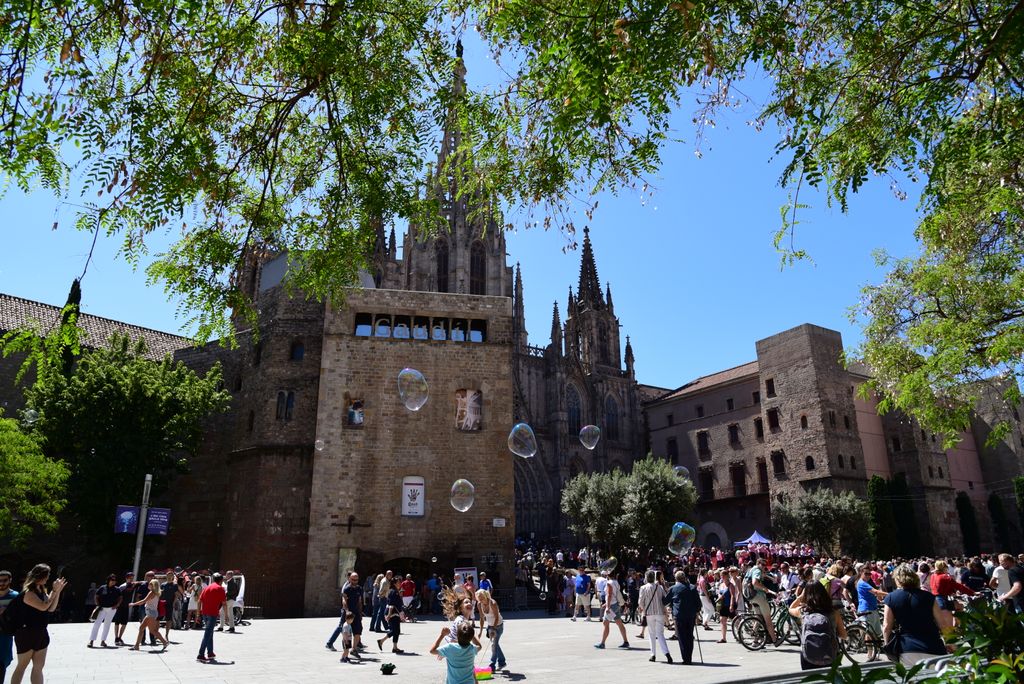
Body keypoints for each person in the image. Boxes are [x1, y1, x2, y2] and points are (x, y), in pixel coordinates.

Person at [10, 564, 66, 684]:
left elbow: (50, 608)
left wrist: (58, 592)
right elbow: (43, 607)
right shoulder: (28, 593)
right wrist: (54, 591)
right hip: (26, 634)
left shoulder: (42, 590)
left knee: (38, 667)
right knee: (22, 666)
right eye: (47, 575)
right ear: (40, 576)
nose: (48, 578)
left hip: (41, 632)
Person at [882, 563, 947, 666]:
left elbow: (886, 626)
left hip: (906, 648)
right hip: (933, 646)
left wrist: (887, 645)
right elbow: (943, 624)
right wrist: (951, 642)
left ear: (898, 580)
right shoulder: (929, 597)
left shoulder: (891, 598)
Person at [788, 580, 836, 670]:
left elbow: (790, 608)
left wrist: (800, 597)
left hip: (808, 654)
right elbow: (844, 635)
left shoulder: (802, 611)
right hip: (829, 653)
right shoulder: (832, 612)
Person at [745, 557, 783, 646]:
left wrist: (769, 577)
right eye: (762, 565)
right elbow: (755, 582)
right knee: (768, 620)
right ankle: (775, 640)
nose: (763, 567)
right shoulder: (757, 570)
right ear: (758, 563)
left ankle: (755, 641)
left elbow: (761, 575)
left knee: (758, 619)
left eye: (765, 566)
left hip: (751, 597)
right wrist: (765, 589)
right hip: (758, 596)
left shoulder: (751, 570)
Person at [929, 559, 974, 631]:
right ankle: (957, 625)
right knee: (949, 630)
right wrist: (973, 593)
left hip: (934, 602)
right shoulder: (945, 576)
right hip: (942, 602)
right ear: (944, 568)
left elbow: (938, 587)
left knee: (959, 605)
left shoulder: (933, 576)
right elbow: (958, 586)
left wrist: (950, 591)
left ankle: (956, 624)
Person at [638, 570, 671, 663]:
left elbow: (640, 602)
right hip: (659, 613)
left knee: (652, 634)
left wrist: (643, 609)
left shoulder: (643, 588)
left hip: (649, 613)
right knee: (660, 634)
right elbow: (665, 599)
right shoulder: (659, 587)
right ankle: (667, 653)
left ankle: (653, 654)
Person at [666, 570, 698, 664]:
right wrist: (696, 611)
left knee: (682, 637)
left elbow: (665, 601)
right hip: (690, 615)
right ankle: (689, 657)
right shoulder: (692, 587)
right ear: (684, 578)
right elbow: (698, 603)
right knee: (689, 636)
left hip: (679, 616)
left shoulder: (673, 588)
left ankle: (685, 658)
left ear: (676, 579)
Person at [128, 579, 169, 651]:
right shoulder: (156, 593)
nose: (148, 584)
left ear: (153, 585)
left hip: (151, 613)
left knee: (153, 631)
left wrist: (133, 604)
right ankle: (136, 646)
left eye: (150, 584)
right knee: (141, 628)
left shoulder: (151, 593)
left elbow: (144, 601)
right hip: (151, 613)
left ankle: (164, 642)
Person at [594, 572, 629, 650]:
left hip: (612, 606)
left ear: (607, 575)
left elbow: (609, 595)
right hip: (616, 604)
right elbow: (613, 594)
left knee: (605, 623)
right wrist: (607, 604)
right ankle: (626, 641)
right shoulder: (616, 582)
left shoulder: (609, 583)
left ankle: (602, 643)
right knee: (619, 623)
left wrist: (607, 606)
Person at [197, 573, 226, 661]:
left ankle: (210, 652)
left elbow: (199, 601)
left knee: (210, 633)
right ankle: (200, 654)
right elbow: (224, 603)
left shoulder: (206, 588)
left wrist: (198, 613)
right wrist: (227, 615)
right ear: (221, 581)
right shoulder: (220, 588)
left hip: (205, 613)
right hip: (212, 613)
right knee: (207, 633)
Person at [476, 589, 506, 672]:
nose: (480, 599)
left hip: (498, 626)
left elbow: (496, 617)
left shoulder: (493, 603)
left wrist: (493, 629)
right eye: (479, 598)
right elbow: (482, 618)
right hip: (490, 626)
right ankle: (502, 662)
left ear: (486, 596)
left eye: (481, 597)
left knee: (493, 644)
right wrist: (481, 631)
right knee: (495, 644)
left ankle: (492, 664)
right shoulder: (479, 604)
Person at [88, 575, 121, 648]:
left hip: (111, 609)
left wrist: (117, 605)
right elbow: (96, 596)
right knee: (97, 624)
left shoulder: (117, 589)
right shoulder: (102, 588)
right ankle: (91, 641)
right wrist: (98, 605)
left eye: (115, 580)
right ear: (108, 580)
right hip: (102, 608)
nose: (113, 582)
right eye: (112, 580)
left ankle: (103, 641)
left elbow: (120, 597)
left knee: (107, 625)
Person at [856, 565, 887, 641]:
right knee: (869, 633)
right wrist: (890, 594)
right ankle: (870, 653)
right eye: (866, 574)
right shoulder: (862, 583)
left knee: (874, 632)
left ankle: (874, 650)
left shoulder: (865, 582)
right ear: (861, 573)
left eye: (869, 574)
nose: (868, 576)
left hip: (872, 608)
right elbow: (875, 592)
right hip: (867, 609)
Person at [0, 570, 19, 682]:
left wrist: (6, 612)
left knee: (2, 664)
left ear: (10, 580)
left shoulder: (15, 596)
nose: (1, 583)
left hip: (5, 635)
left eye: (4, 580)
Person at [376, 578, 404, 654]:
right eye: (398, 582)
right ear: (394, 583)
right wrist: (389, 615)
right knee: (395, 630)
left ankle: (394, 647)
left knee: (396, 631)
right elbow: (391, 604)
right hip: (392, 613)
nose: (400, 583)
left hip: (395, 613)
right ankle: (382, 641)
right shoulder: (393, 592)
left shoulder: (395, 591)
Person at [112, 572, 134, 646]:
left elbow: (141, 582)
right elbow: (117, 596)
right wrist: (116, 605)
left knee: (124, 623)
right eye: (130, 578)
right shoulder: (122, 586)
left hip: (126, 607)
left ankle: (120, 637)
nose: (131, 579)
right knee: (117, 622)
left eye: (132, 578)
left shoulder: (132, 585)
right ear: (126, 578)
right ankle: (116, 637)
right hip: (119, 607)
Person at [159, 571, 181, 642]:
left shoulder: (174, 585)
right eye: (168, 574)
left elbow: (176, 595)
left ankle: (166, 635)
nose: (169, 576)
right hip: (162, 604)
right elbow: (159, 594)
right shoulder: (162, 584)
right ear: (166, 575)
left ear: (172, 577)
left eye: (171, 575)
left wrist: (173, 603)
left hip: (169, 604)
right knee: (158, 619)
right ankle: (157, 635)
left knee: (169, 619)